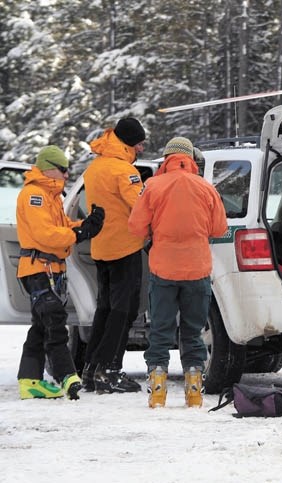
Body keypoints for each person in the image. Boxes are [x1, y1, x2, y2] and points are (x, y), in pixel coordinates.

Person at [128, 137, 227, 408]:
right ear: (190, 158)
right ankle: (194, 390)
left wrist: (154, 232)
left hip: (163, 270)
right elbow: (219, 229)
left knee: (161, 330)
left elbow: (135, 227)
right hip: (197, 270)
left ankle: (158, 390)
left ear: (167, 157)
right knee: (193, 331)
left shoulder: (153, 186)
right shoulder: (206, 187)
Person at [16, 146, 105, 400]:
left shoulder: (51, 196)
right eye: (63, 170)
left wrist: (87, 225)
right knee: (55, 321)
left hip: (50, 269)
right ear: (48, 167)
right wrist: (78, 234)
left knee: (41, 326)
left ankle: (29, 381)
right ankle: (68, 376)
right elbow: (45, 234)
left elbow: (63, 227)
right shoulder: (34, 195)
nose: (66, 175)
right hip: (37, 269)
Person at [82, 117, 147, 394]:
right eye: (140, 143)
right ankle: (109, 370)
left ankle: (91, 368)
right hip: (125, 248)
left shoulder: (94, 168)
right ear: (131, 142)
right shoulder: (124, 171)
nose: (142, 149)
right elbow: (141, 205)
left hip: (101, 248)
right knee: (123, 310)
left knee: (105, 309)